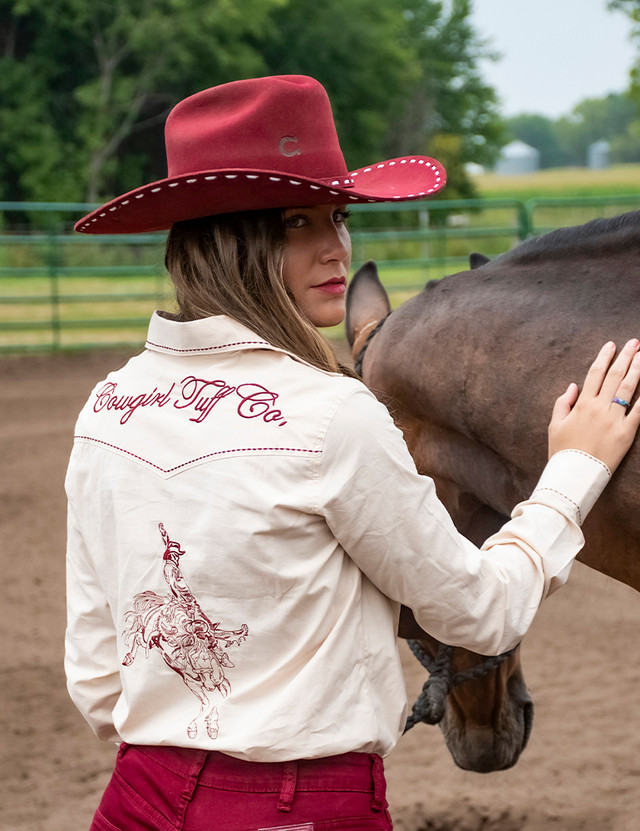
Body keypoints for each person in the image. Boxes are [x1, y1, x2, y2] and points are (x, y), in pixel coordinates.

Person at [66, 75, 640, 831]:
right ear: (228, 236)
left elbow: (96, 678)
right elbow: (482, 611)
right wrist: (576, 468)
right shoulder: (334, 414)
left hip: (137, 798)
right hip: (297, 808)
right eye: (298, 221)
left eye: (337, 216)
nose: (336, 245)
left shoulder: (109, 405)